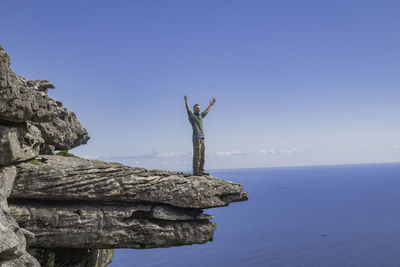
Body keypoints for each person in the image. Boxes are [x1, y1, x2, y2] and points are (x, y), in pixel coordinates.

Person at [184, 95, 216, 176]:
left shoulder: (200, 116)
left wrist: (211, 105)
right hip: (196, 138)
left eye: (199, 108)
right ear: (194, 109)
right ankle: (195, 172)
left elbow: (206, 111)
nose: (199, 109)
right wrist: (186, 102)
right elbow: (188, 110)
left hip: (202, 138)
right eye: (197, 108)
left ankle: (201, 171)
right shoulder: (192, 116)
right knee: (197, 155)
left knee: (202, 155)